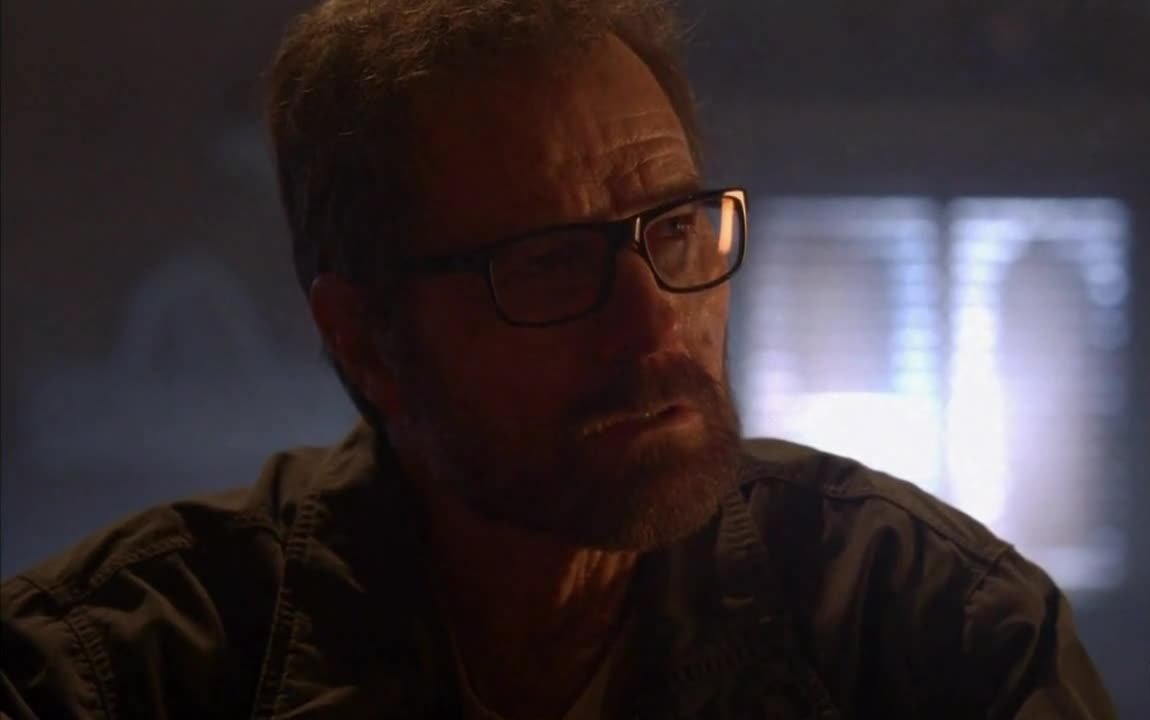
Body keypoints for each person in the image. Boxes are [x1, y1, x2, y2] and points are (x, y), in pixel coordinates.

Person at [0, 1, 1116, 718]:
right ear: (367, 340)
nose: (652, 326)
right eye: (547, 264)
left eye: (673, 229)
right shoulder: (109, 677)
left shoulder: (930, 633)